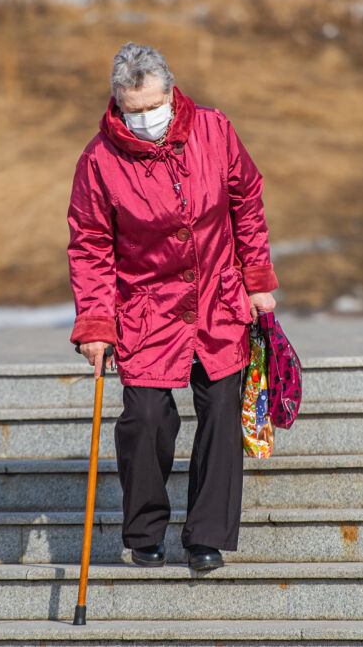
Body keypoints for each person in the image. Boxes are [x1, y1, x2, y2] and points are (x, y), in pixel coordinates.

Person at [66, 42, 279, 572]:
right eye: (132, 110)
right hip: (146, 306)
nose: (144, 120)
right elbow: (90, 244)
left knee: (223, 408)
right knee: (145, 417)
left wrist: (256, 279)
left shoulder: (214, 129)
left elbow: (245, 201)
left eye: (152, 107)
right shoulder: (98, 159)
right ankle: (144, 531)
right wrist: (95, 322)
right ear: (116, 103)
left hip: (217, 297)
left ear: (171, 93)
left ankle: (206, 535)